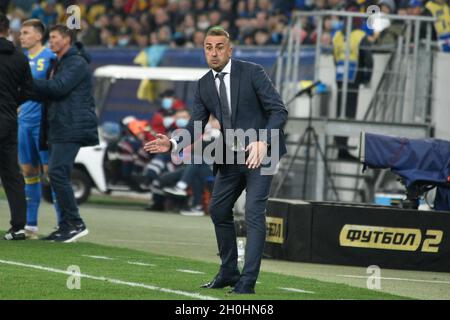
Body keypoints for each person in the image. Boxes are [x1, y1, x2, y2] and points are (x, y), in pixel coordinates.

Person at [144, 27, 288, 294]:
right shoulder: (204, 84)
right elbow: (196, 125)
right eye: (209, 47)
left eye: (219, 47)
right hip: (230, 154)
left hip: (261, 152)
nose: (214, 52)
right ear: (204, 51)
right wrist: (174, 142)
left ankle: (247, 281)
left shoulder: (253, 71)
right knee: (219, 210)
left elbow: (279, 110)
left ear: (229, 50)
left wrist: (263, 140)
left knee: (254, 214)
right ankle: (229, 270)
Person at [33, 25, 99, 243]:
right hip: (61, 124)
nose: (49, 41)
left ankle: (76, 223)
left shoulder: (76, 62)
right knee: (57, 174)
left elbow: (59, 87)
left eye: (53, 37)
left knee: (58, 172)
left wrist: (26, 81)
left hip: (70, 125)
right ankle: (65, 226)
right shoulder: (62, 62)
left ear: (67, 39)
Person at [18, 19, 61, 239]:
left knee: (51, 173)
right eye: (20, 33)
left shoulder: (51, 58)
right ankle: (31, 226)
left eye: (25, 33)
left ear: (37, 35)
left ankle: (63, 223)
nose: (21, 36)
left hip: (43, 125)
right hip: (23, 123)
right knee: (28, 172)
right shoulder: (20, 60)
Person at [0, 13, 34, 240]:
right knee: (12, 174)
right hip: (9, 119)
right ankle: (19, 227)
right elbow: (29, 91)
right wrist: (12, 104)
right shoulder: (20, 58)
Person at [333, 19, 373, 161]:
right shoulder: (360, 36)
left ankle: (340, 146)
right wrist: (366, 78)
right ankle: (342, 149)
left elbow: (335, 57)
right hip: (353, 77)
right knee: (349, 112)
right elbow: (368, 59)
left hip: (340, 77)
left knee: (340, 111)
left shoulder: (337, 35)